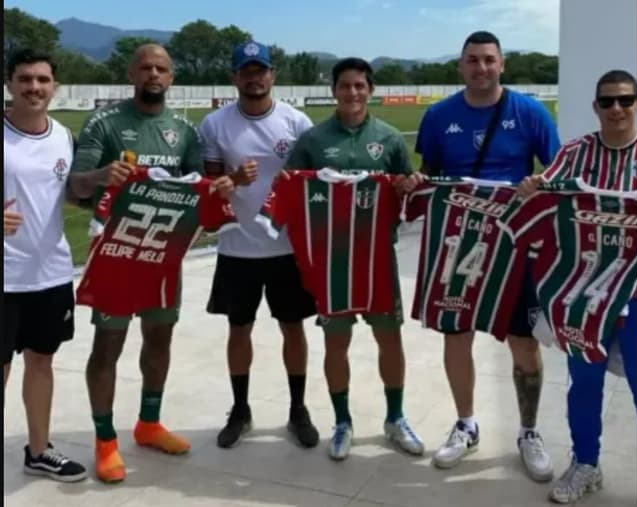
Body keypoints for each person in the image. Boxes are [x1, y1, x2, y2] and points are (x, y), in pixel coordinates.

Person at [412, 31, 561, 481]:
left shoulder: (530, 112)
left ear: (502, 65)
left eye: (489, 60)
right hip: (458, 246)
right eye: (473, 60)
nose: (481, 68)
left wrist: (539, 185)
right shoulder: (439, 116)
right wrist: (416, 185)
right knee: (455, 337)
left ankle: (529, 431)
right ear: (460, 66)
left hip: (514, 247)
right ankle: (466, 424)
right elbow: (431, 177)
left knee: (523, 341)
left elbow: (555, 175)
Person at [68, 43, 208, 483]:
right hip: (117, 255)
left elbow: (198, 189)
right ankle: (105, 441)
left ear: (171, 79)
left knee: (159, 340)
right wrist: (101, 175)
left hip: (164, 256)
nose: (153, 73)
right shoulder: (104, 124)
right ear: (131, 73)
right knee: (108, 346)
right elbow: (75, 186)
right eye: (145, 66)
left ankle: (148, 424)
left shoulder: (185, 131)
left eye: (161, 68)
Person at [284, 57, 425, 461]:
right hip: (332, 262)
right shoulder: (313, 140)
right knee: (336, 341)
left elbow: (406, 191)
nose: (353, 93)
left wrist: (406, 184)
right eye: (345, 86)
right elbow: (292, 193)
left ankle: (395, 417)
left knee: (390, 339)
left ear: (371, 90)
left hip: (379, 256)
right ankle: (342, 421)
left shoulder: (390, 137)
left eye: (360, 86)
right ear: (334, 91)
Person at [519, 69, 637, 504]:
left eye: (625, 100)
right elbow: (539, 196)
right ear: (595, 107)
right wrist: (532, 188)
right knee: (583, 384)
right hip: (583, 295)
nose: (616, 109)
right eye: (607, 102)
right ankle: (586, 463)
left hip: (635, 294)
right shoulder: (575, 154)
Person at [199, 40, 319, 449]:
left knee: (294, 328)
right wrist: (233, 179)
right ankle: (240, 408)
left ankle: (298, 409)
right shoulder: (215, 124)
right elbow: (211, 189)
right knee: (239, 330)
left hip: (286, 248)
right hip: (237, 247)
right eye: (246, 71)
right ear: (235, 77)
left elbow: (313, 180)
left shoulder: (296, 121)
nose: (254, 77)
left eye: (260, 70)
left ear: (272, 75)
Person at [3, 48, 87, 482]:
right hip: (4, 278)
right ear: (10, 83)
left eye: (41, 79)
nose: (33, 87)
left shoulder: (63, 138)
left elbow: (71, 195)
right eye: (24, 79)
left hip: (51, 274)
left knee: (41, 362)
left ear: (55, 85)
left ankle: (38, 451)